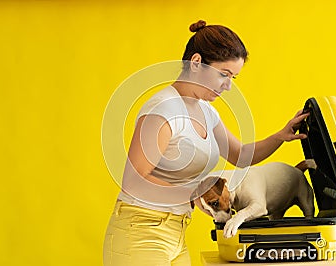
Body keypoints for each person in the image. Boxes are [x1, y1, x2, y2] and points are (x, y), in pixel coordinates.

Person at [103, 20, 309, 266]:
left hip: (175, 231)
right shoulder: (163, 110)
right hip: (140, 230)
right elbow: (133, 181)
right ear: (197, 62)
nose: (229, 86)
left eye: (233, 77)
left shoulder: (206, 111)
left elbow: (241, 155)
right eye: (223, 74)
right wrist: (194, 195)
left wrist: (280, 136)